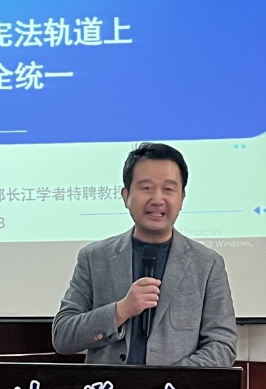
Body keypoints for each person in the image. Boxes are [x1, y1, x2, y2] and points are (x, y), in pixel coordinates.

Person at [52, 143, 237, 367]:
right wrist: (120, 310)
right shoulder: (94, 258)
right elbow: (62, 336)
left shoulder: (207, 264)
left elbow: (222, 344)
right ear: (126, 196)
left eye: (168, 189)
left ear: (182, 197)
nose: (157, 199)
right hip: (108, 388)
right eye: (146, 188)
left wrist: (170, 380)